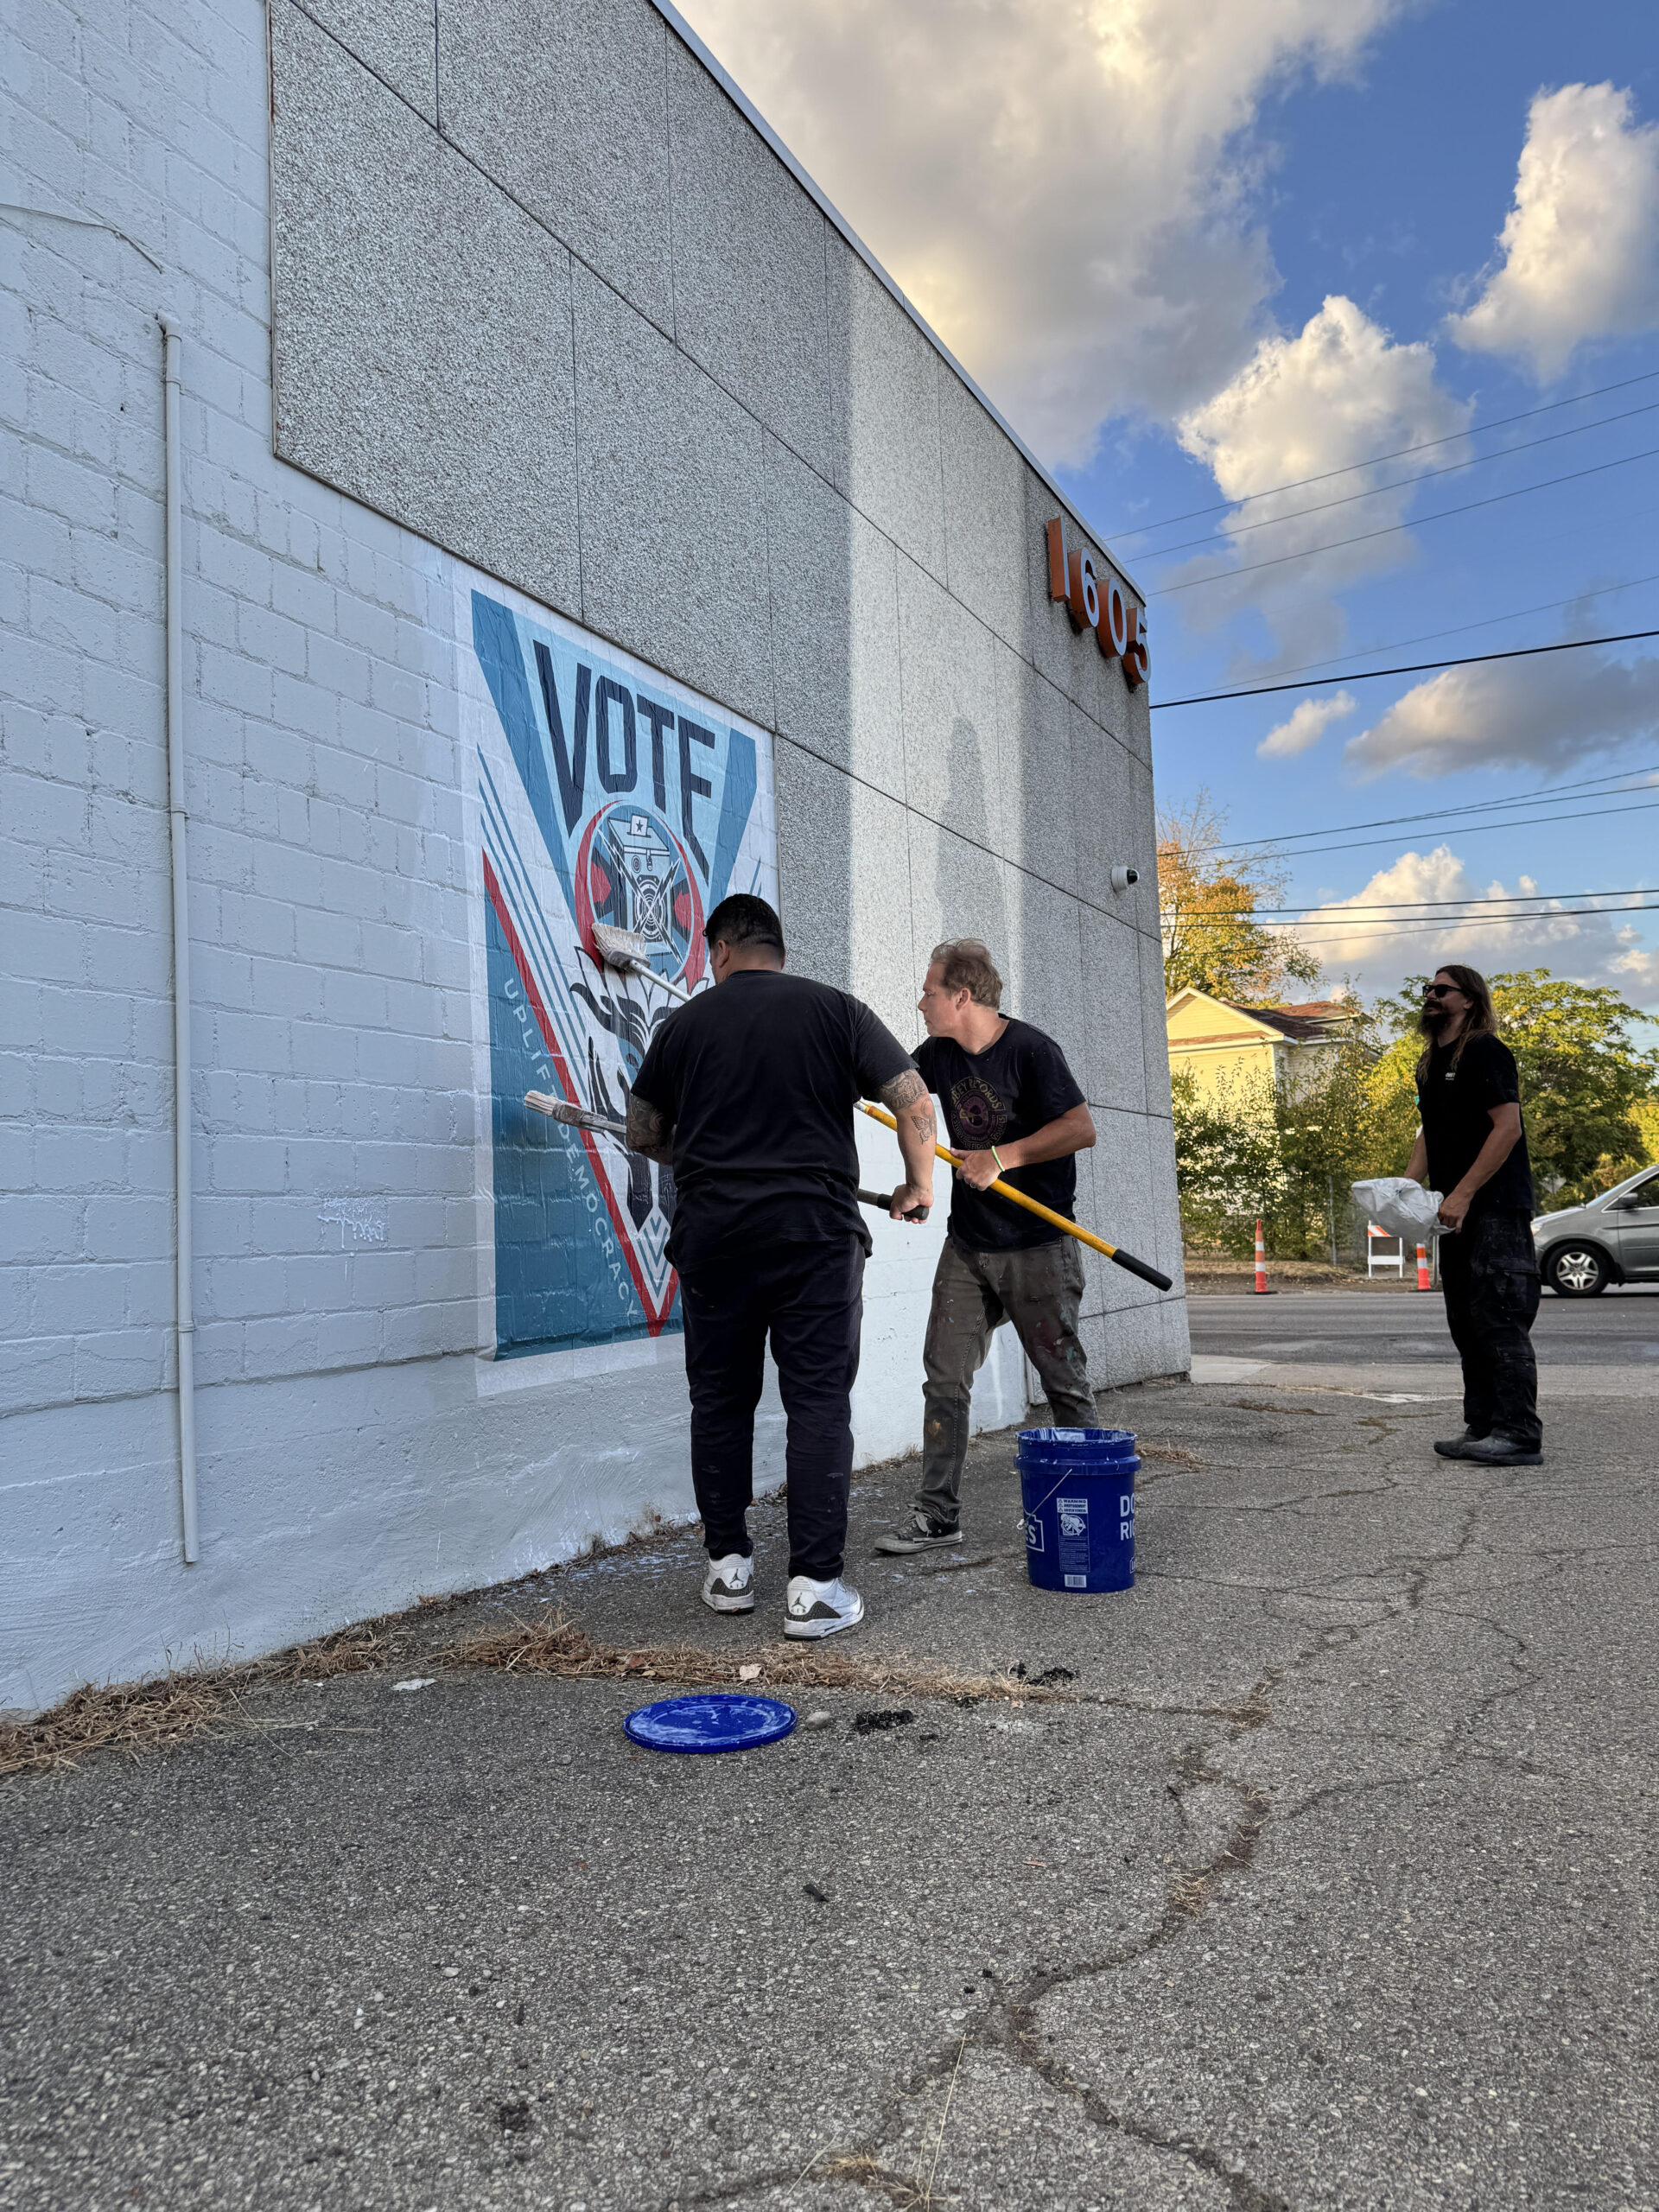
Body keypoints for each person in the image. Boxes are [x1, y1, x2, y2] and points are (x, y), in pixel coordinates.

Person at [626, 893, 937, 1636]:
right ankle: (815, 1588)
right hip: (814, 1237)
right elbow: (913, 1098)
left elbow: (642, 1132)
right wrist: (919, 1183)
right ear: (777, 946)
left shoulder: (684, 1025)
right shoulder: (838, 1011)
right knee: (818, 1405)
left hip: (716, 1241)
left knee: (722, 1403)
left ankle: (729, 1571)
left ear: (723, 949)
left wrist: (702, 1152)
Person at [874, 939, 1098, 1554]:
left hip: (1037, 1246)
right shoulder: (938, 1055)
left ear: (961, 996)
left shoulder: (1031, 1050)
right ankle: (936, 1516)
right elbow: (904, 1098)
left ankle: (1093, 1506)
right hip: (969, 1245)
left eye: (929, 991)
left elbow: (1081, 1128)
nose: (921, 1003)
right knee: (944, 1375)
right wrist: (912, 1179)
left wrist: (1003, 1156)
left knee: (1064, 1383)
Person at [1405, 964, 1541, 1466]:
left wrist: (1462, 1194)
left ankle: (1520, 1434)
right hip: (1452, 1214)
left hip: (1495, 1210)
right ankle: (1482, 1426)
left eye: (1442, 990)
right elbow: (1429, 1135)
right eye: (1428, 989)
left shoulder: (1486, 1050)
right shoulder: (1428, 1061)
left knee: (1500, 1320)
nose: (1431, 995)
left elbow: (1507, 1128)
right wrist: (1403, 1191)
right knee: (1465, 1321)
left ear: (1468, 999)